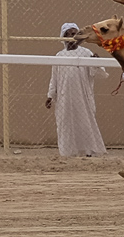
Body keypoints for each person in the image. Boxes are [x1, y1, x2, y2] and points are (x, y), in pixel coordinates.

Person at [46, 23, 107, 156]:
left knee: (85, 123)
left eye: (74, 33)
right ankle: (67, 152)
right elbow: (54, 78)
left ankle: (88, 151)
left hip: (83, 97)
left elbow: (99, 74)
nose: (72, 36)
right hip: (64, 98)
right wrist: (50, 95)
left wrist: (96, 63)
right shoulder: (59, 56)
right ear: (63, 37)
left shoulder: (86, 53)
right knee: (66, 124)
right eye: (68, 34)